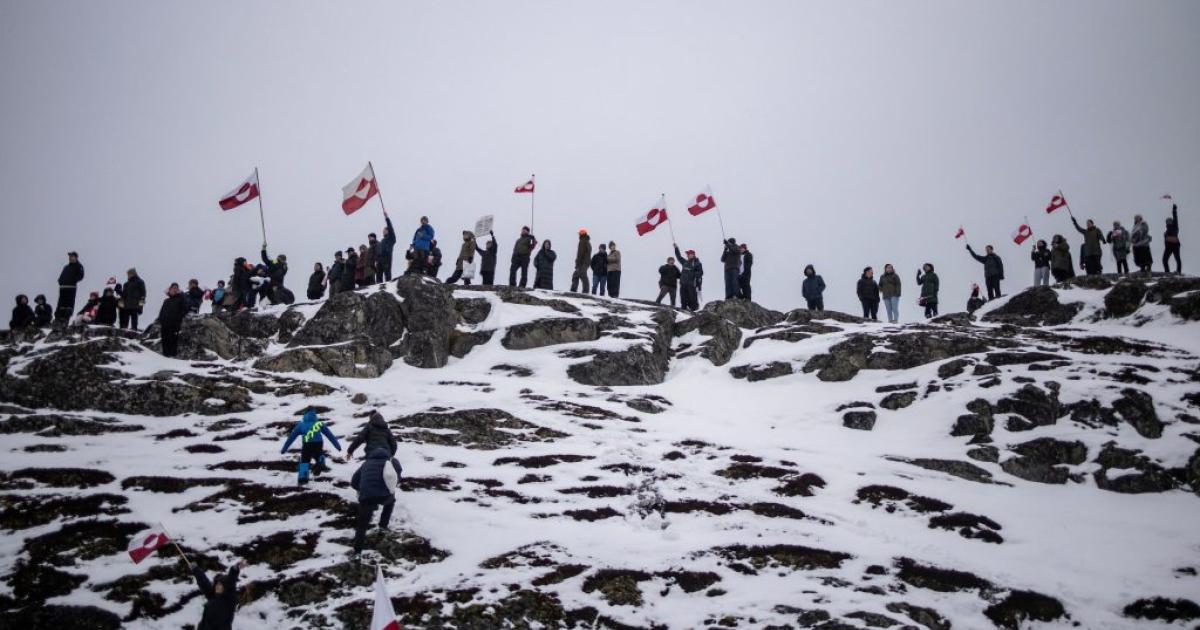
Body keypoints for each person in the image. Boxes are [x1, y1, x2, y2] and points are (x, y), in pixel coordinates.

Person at [351, 447, 403, 556]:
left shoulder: (366, 464)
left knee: (362, 525)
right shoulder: (391, 462)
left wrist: (362, 489)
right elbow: (397, 478)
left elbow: (354, 482)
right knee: (391, 501)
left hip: (367, 497)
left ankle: (357, 552)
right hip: (384, 496)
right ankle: (383, 526)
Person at [279, 407, 343, 485]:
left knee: (305, 460)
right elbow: (330, 435)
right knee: (318, 454)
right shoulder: (319, 424)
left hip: (307, 444)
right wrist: (338, 446)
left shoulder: (301, 425)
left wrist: (284, 449)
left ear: (305, 414)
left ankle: (303, 479)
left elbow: (291, 438)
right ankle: (321, 460)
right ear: (314, 414)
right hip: (318, 443)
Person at [191, 560, 246, 630]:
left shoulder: (229, 601)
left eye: (220, 584)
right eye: (216, 584)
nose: (217, 586)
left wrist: (234, 570)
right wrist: (196, 570)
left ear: (225, 587)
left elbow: (231, 582)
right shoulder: (212, 597)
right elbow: (204, 584)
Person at [157, 283, 188, 357]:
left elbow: (185, 309)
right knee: (165, 340)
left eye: (176, 288)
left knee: (173, 340)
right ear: (169, 290)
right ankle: (165, 356)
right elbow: (161, 311)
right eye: (173, 288)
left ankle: (172, 357)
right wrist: (160, 319)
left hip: (174, 324)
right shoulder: (166, 301)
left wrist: (178, 317)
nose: (174, 289)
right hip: (165, 324)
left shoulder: (181, 299)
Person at [55, 251, 85, 323]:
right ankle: (58, 320)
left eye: (72, 256)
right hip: (62, 288)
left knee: (68, 306)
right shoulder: (66, 267)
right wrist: (60, 281)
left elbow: (81, 276)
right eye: (70, 257)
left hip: (71, 288)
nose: (70, 258)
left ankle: (65, 320)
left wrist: (73, 280)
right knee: (60, 305)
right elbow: (61, 276)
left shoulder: (78, 266)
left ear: (76, 257)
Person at [674, 245, 702, 311]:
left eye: (689, 254)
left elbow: (700, 273)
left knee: (692, 297)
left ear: (693, 255)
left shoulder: (697, 263)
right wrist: (676, 248)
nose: (688, 255)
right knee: (683, 297)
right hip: (683, 283)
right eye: (687, 254)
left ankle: (694, 309)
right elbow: (679, 257)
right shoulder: (685, 262)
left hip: (691, 284)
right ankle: (683, 308)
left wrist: (692, 273)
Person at [378, 213, 397, 282]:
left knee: (387, 273)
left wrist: (387, 218)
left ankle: (389, 285)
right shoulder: (382, 240)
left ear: (388, 231)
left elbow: (390, 228)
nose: (383, 231)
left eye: (385, 230)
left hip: (387, 257)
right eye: (383, 230)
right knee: (379, 274)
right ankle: (378, 286)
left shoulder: (391, 238)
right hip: (380, 258)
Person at [1163, 204, 1181, 273]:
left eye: (1169, 221)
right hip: (1168, 246)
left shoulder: (1174, 226)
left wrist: (1174, 210)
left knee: (1177, 258)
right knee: (1164, 259)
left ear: (1172, 221)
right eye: (1167, 221)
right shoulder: (1167, 230)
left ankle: (1178, 271)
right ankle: (1167, 272)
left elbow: (1175, 217)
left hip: (1175, 245)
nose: (1168, 222)